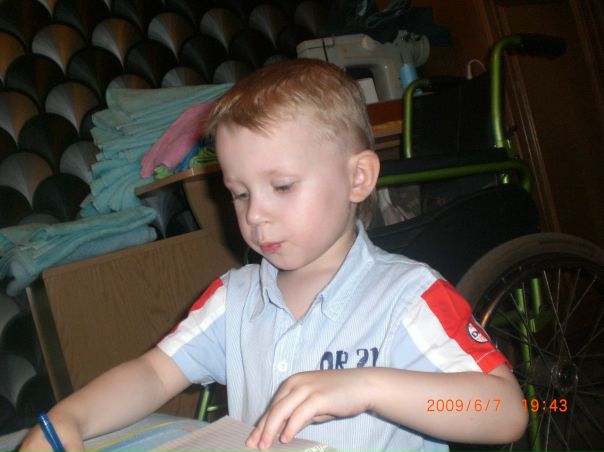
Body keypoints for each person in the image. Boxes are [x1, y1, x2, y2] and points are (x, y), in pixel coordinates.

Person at [20, 58, 527, 452]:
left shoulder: (408, 297)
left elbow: (505, 411)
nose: (256, 214)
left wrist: (369, 387)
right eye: (240, 193)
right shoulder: (235, 299)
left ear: (358, 178)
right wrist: (69, 420)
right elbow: (153, 374)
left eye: (281, 186)